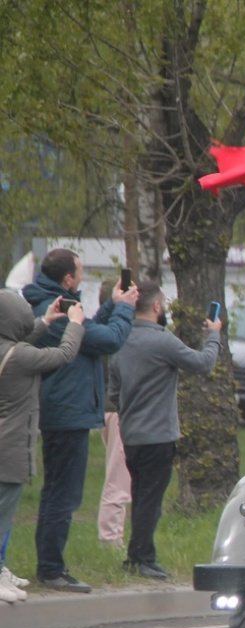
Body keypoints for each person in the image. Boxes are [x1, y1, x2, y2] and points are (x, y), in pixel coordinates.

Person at [22, 248, 137, 592]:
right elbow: (109, 340)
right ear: (68, 278)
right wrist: (127, 309)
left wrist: (111, 305)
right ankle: (52, 568)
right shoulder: (55, 308)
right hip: (66, 412)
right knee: (63, 494)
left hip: (64, 410)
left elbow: (86, 331)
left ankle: (49, 564)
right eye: (80, 270)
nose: (83, 276)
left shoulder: (53, 301)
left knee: (56, 490)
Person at [108, 281, 221, 579]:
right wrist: (214, 335)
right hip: (159, 435)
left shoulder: (119, 340)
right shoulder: (162, 341)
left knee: (140, 492)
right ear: (157, 306)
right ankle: (142, 559)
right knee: (150, 499)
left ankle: (137, 554)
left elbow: (113, 393)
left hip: (131, 434)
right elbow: (204, 363)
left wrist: (129, 411)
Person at [0, 292, 85, 603]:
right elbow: (62, 355)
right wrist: (75, 324)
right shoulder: (20, 357)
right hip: (10, 446)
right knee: (3, 513)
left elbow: (19, 343)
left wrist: (45, 321)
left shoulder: (8, 351)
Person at [96, 281, 131, 547]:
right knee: (118, 479)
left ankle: (116, 535)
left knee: (120, 476)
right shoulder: (118, 335)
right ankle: (110, 540)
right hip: (118, 412)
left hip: (106, 411)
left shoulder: (100, 331)